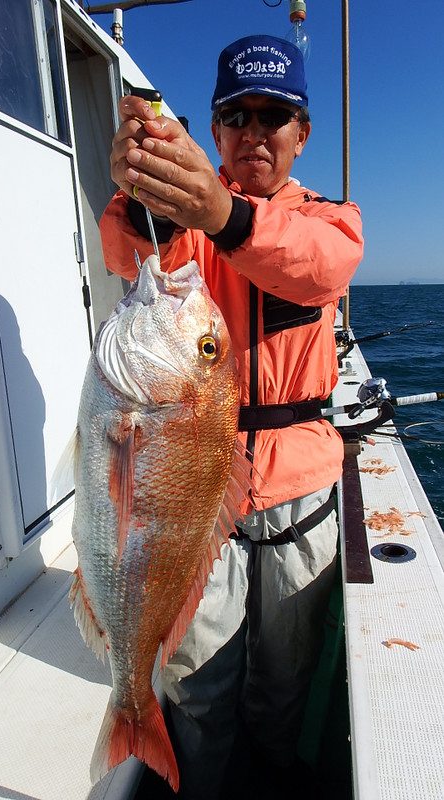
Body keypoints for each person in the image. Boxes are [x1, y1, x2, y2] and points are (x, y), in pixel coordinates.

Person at [100, 34, 363, 800]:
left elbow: (320, 264)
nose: (254, 132)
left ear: (301, 132)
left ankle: (272, 782)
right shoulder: (185, 217)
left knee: (284, 684)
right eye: (236, 116)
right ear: (213, 131)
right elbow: (127, 253)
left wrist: (227, 218)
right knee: (197, 689)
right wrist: (137, 190)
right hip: (190, 494)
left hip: (299, 493)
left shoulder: (328, 218)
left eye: (273, 116)